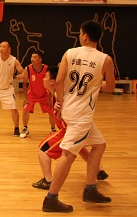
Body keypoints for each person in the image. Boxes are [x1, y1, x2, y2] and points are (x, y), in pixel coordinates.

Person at [42, 20, 115, 213]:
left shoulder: (70, 53)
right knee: (68, 154)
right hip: (81, 115)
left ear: (84, 36)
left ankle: (90, 188)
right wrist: (97, 84)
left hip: (71, 110)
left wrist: (60, 103)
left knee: (99, 145)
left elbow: (59, 81)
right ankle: (51, 199)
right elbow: (110, 87)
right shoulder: (105, 59)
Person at [32, 66, 109, 191]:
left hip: (71, 128)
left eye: (45, 76)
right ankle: (98, 171)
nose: (43, 79)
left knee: (43, 148)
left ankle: (48, 181)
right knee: (80, 148)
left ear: (53, 81)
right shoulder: (55, 93)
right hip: (81, 126)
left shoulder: (60, 94)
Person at [20, 51, 55, 138]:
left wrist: (49, 98)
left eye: (35, 57)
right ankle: (25, 128)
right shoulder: (28, 68)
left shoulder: (46, 69)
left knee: (51, 111)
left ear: (40, 59)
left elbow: (51, 85)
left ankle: (53, 129)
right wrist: (26, 98)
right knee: (25, 109)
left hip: (44, 94)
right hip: (32, 94)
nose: (32, 59)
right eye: (32, 57)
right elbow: (24, 84)